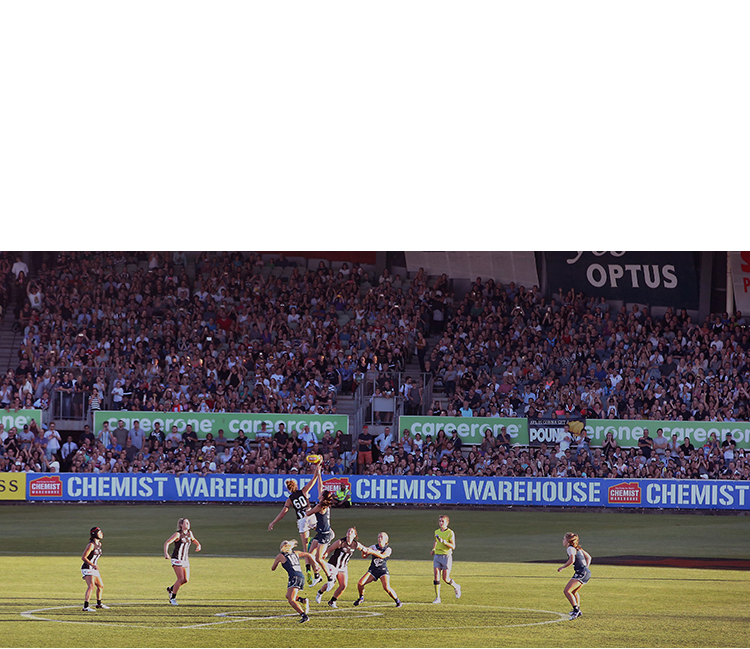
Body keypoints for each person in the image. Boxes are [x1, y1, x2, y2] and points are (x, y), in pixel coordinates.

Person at [268, 462, 323, 585]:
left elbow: (283, 513)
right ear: (296, 485)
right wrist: (317, 471)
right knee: (322, 535)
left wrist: (273, 522)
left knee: (305, 549)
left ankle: (310, 570)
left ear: (288, 489)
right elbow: (313, 480)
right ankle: (319, 555)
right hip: (310, 516)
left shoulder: (289, 500)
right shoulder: (303, 491)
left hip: (301, 521)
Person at [314, 526, 371, 608]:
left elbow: (365, 550)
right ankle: (320, 593)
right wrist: (323, 557)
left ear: (355, 535)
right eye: (348, 531)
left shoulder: (355, 544)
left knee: (343, 585)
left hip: (343, 567)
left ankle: (332, 601)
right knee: (332, 582)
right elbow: (329, 550)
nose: (349, 533)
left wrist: (372, 552)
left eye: (351, 532)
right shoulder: (340, 542)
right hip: (333, 565)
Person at [271, 539, 320, 624]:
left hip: (294, 577)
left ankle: (304, 616)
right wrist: (315, 564)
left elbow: (273, 568)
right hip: (300, 576)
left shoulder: (280, 556)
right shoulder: (296, 553)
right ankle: (303, 600)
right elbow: (308, 555)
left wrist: (278, 562)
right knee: (288, 595)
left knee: (291, 600)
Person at [353, 532, 403, 608]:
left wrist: (372, 552)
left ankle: (397, 601)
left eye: (381, 537)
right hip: (373, 570)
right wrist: (363, 550)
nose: (379, 539)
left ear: (386, 540)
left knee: (386, 587)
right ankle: (361, 598)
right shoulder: (373, 547)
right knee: (360, 583)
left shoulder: (388, 549)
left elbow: (382, 556)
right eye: (379, 537)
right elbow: (364, 556)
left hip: (382, 570)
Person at [164, 518, 202, 605]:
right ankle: (173, 598)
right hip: (177, 559)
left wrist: (198, 545)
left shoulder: (190, 533)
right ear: (181, 525)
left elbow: (193, 539)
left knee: (185, 580)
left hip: (185, 559)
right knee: (180, 579)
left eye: (188, 523)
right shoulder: (178, 534)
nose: (188, 524)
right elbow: (167, 543)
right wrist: (166, 553)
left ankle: (171, 589)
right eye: (186, 523)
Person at [557, 532, 592, 620]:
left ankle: (576, 610)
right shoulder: (578, 548)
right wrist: (585, 568)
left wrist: (563, 567)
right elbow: (589, 557)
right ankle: (577, 609)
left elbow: (572, 560)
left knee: (567, 591)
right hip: (585, 573)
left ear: (568, 541)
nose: (563, 541)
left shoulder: (570, 549)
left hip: (581, 573)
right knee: (573, 592)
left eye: (564, 539)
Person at [307, 489, 337, 589]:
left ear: (323, 497)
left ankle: (330, 577)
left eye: (320, 494)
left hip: (325, 535)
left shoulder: (320, 506)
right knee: (310, 555)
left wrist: (305, 503)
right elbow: (320, 487)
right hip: (320, 533)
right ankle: (317, 576)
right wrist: (318, 475)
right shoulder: (323, 504)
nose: (318, 494)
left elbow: (308, 513)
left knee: (318, 558)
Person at [430, 514, 462, 603]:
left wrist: (444, 542)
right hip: (437, 556)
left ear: (447, 523)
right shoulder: (436, 531)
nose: (440, 523)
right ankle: (437, 597)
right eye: (440, 521)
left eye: (442, 521)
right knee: (436, 576)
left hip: (446, 556)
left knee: (445, 579)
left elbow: (453, 546)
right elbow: (436, 541)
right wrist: (433, 549)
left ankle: (456, 586)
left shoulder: (450, 533)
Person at [81, 526, 109, 611]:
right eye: (99, 532)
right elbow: (84, 557)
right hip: (88, 567)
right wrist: (92, 565)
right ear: (94, 534)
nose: (101, 534)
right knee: (91, 586)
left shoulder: (99, 544)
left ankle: (99, 604)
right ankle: (85, 607)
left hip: (93, 568)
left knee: (101, 586)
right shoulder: (91, 545)